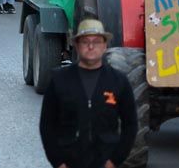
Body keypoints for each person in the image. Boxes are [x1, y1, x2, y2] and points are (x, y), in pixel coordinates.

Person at [38, 19, 139, 168]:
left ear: (105, 46)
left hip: (104, 161)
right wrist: (57, 161)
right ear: (77, 45)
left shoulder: (118, 81)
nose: (91, 46)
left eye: (97, 42)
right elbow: (47, 125)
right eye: (85, 42)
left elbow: (130, 125)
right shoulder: (59, 80)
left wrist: (115, 160)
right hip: (70, 160)